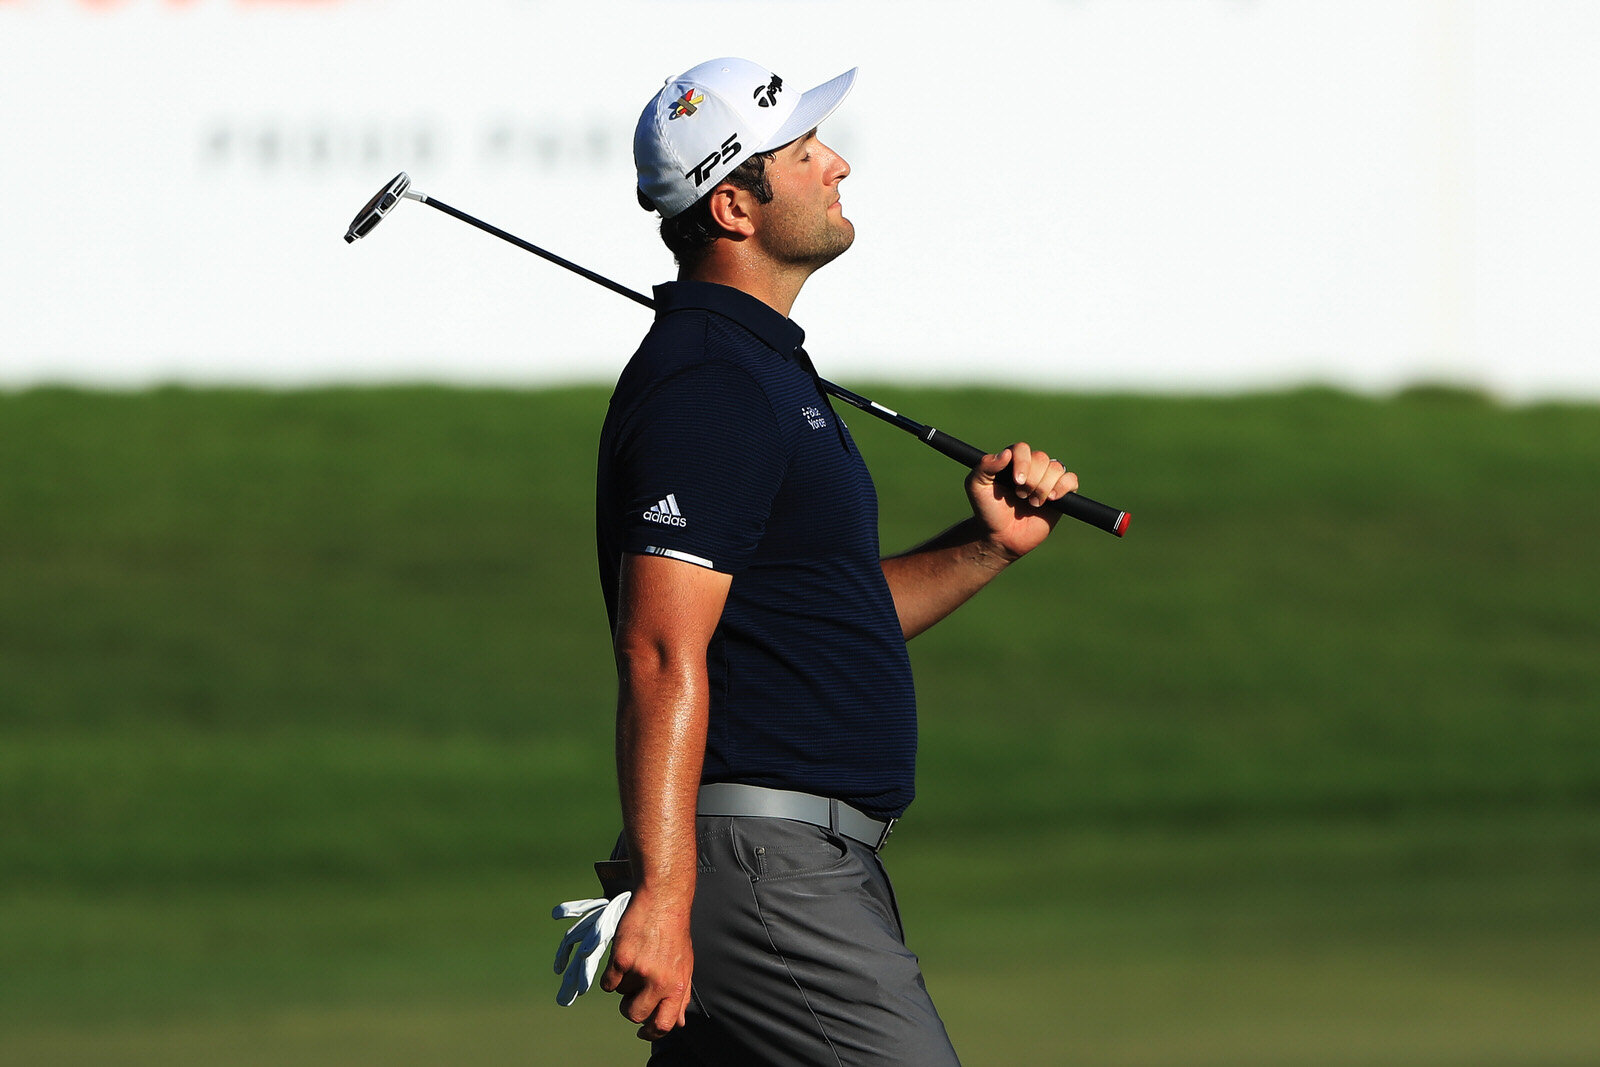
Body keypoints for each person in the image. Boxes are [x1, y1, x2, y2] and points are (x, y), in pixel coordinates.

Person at [590, 57, 1078, 1066]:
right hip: (764, 864)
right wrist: (666, 890)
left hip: (801, 859)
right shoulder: (707, 384)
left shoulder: (761, 372)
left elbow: (822, 616)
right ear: (734, 205)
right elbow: (657, 650)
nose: (838, 165)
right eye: (807, 155)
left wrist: (988, 542)